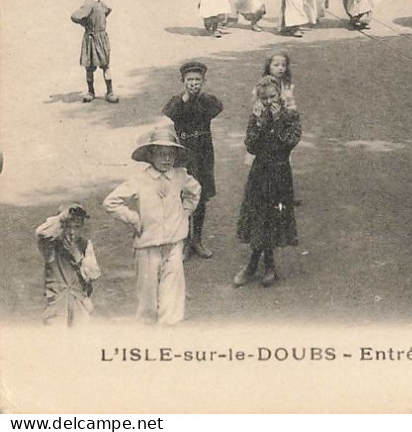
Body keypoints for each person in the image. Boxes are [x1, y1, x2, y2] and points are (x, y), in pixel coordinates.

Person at [103, 127, 201, 326]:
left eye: (171, 154)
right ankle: (147, 329)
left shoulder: (181, 176)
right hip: (148, 245)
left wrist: (185, 212)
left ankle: (168, 329)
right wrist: (132, 218)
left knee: (172, 291)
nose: (166, 159)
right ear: (150, 155)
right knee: (147, 294)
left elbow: (195, 192)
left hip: (174, 243)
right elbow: (111, 202)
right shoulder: (140, 180)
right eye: (161, 154)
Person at [233, 75, 301, 288]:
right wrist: (261, 122)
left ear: (279, 95)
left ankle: (260, 264)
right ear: (259, 99)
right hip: (260, 172)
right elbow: (250, 146)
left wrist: (278, 120)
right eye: (264, 99)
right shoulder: (257, 116)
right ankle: (259, 264)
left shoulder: (290, 115)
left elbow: (291, 141)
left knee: (273, 216)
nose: (269, 102)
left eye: (273, 97)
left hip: (279, 173)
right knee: (258, 216)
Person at [163, 61, 223, 261]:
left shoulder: (206, 101)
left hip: (203, 153)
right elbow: (170, 112)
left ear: (203, 81)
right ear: (183, 81)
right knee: (183, 196)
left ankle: (196, 239)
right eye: (190, 80)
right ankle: (184, 240)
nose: (194, 83)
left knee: (201, 195)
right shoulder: (178, 101)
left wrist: (199, 96)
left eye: (198, 80)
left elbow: (217, 107)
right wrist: (186, 98)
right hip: (184, 154)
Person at [36, 204, 101, 326]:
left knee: (81, 338)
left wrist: (76, 254)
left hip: (80, 301)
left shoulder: (85, 244)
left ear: (81, 227)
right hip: (57, 303)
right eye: (67, 226)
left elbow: (93, 274)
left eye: (76, 227)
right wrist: (60, 218)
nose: (71, 232)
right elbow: (40, 233)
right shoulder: (50, 245)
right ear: (60, 226)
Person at [71, 0, 118, 103]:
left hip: (101, 38)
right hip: (91, 39)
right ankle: (91, 91)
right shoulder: (88, 4)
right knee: (89, 66)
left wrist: (100, 20)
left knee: (105, 64)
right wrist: (86, 23)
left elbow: (107, 9)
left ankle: (110, 91)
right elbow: (75, 16)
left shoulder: (99, 3)